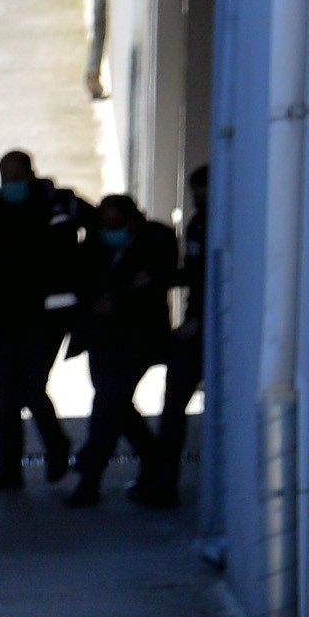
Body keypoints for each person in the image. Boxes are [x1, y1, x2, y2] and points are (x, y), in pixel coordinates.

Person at [0, 148, 84, 490]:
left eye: (15, 177)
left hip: (45, 316)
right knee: (6, 395)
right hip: (4, 315)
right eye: (4, 177)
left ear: (30, 174)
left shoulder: (58, 202)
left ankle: (56, 444)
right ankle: (9, 470)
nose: (9, 184)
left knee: (29, 386)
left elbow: (99, 227)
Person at [67, 190, 180, 510]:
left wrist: (115, 298)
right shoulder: (95, 240)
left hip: (137, 338)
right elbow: (82, 276)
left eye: (115, 225)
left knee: (107, 405)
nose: (108, 232)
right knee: (115, 403)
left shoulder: (156, 240)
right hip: (101, 338)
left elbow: (153, 281)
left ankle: (90, 477)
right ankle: (152, 459)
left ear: (133, 220)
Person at [148, 163, 209, 509]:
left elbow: (203, 277)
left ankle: (165, 480)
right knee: (172, 408)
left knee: (175, 408)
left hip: (200, 328)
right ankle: (164, 479)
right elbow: (194, 273)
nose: (198, 198)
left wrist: (197, 319)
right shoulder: (199, 223)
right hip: (196, 326)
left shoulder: (209, 222)